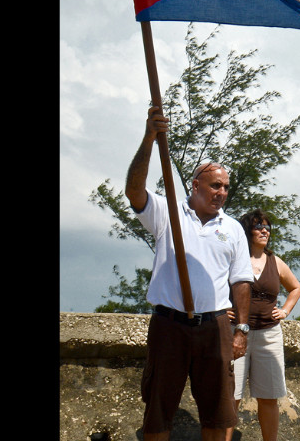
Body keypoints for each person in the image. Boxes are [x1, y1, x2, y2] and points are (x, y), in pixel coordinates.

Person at [125, 106, 254, 441]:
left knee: (218, 414)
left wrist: (240, 329)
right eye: (215, 186)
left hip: (214, 328)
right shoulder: (167, 212)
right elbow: (133, 191)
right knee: (158, 411)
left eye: (225, 187)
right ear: (195, 185)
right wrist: (150, 138)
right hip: (169, 325)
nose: (222, 193)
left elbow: (241, 281)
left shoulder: (233, 228)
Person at [225, 209, 300, 441]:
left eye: (267, 227)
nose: (264, 231)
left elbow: (296, 288)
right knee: (232, 396)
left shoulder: (275, 261)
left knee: (269, 397)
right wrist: (220, 310)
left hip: (269, 335)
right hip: (236, 333)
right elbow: (214, 285)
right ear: (246, 230)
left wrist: (285, 310)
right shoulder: (234, 259)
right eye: (258, 226)